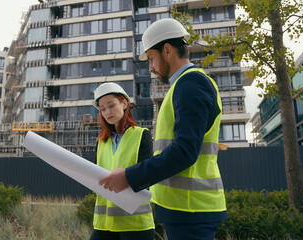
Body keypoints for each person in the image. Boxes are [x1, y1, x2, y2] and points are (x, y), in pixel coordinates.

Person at [98, 18, 228, 240]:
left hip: (192, 210)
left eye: (151, 59)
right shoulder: (183, 86)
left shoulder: (191, 84)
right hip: (186, 209)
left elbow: (184, 151)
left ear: (167, 50)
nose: (150, 68)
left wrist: (129, 176)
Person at [90, 82, 155, 240]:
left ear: (124, 103)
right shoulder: (101, 142)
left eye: (111, 106)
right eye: (102, 109)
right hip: (104, 224)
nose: (107, 112)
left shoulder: (142, 135)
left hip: (135, 224)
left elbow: (147, 176)